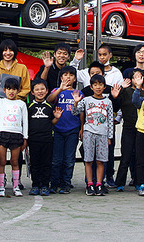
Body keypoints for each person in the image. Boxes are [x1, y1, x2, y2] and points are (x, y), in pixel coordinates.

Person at [0, 39, 31, 186]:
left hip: (16, 116)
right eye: (4, 50)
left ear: (14, 51)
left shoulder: (22, 68)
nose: (7, 53)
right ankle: (1, 180)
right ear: (1, 52)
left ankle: (17, 181)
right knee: (0, 149)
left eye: (10, 50)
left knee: (17, 148)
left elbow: (26, 89)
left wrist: (12, 98)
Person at [72, 74, 114, 196]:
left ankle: (99, 184)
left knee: (101, 161)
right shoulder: (86, 100)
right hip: (88, 133)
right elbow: (75, 112)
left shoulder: (108, 102)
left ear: (104, 86)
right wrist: (75, 103)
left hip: (103, 134)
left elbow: (110, 121)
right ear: (91, 87)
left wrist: (109, 137)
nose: (98, 87)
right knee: (88, 160)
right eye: (95, 85)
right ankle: (90, 184)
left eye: (100, 84)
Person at [48, 66, 82, 194]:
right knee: (56, 159)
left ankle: (66, 183)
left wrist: (82, 128)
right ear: (61, 77)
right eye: (65, 75)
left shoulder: (79, 93)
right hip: (57, 129)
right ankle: (54, 182)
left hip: (73, 130)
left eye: (71, 75)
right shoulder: (57, 91)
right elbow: (49, 100)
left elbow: (81, 113)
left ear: (75, 78)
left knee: (69, 159)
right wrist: (60, 89)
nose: (68, 77)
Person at [26, 78, 62, 196]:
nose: (40, 91)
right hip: (33, 140)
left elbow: (51, 123)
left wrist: (56, 118)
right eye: (37, 89)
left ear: (47, 91)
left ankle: (45, 185)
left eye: (42, 89)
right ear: (32, 92)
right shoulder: (29, 106)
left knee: (47, 163)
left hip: (47, 139)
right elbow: (26, 123)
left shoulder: (50, 106)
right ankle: (35, 185)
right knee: (35, 163)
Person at [113, 71, 140, 191]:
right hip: (128, 127)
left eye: (140, 77)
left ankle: (139, 181)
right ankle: (119, 183)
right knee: (126, 156)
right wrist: (119, 92)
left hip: (142, 129)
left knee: (140, 157)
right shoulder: (125, 91)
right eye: (135, 77)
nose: (137, 80)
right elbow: (116, 106)